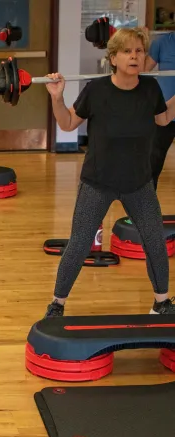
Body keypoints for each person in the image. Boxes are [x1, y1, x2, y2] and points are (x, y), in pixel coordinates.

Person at [44, 27, 175, 317]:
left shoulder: (150, 88)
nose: (135, 56)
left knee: (155, 241)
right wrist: (57, 97)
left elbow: (164, 119)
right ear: (113, 58)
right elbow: (66, 124)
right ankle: (57, 304)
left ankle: (162, 302)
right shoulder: (96, 89)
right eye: (127, 51)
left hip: (138, 183)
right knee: (79, 244)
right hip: (98, 181)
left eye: (139, 51)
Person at [145, 31, 175, 189]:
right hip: (165, 114)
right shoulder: (161, 42)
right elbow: (142, 73)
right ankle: (145, 210)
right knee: (152, 163)